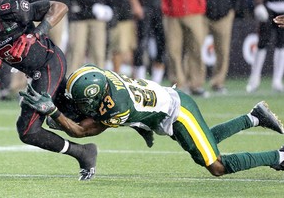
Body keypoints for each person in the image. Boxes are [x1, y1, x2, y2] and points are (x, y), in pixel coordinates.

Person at [19, 64, 284, 179]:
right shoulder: (97, 77)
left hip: (178, 112)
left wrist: (54, 112)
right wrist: (140, 125)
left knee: (216, 165)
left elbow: (79, 131)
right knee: (203, 144)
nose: (80, 106)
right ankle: (254, 116)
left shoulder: (116, 106)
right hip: (166, 103)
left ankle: (278, 157)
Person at [0, 0, 97, 180]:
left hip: (49, 63)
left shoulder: (11, 10)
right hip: (33, 75)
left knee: (29, 129)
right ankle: (87, 150)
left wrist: (35, 33)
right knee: (73, 118)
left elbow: (59, 7)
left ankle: (85, 151)